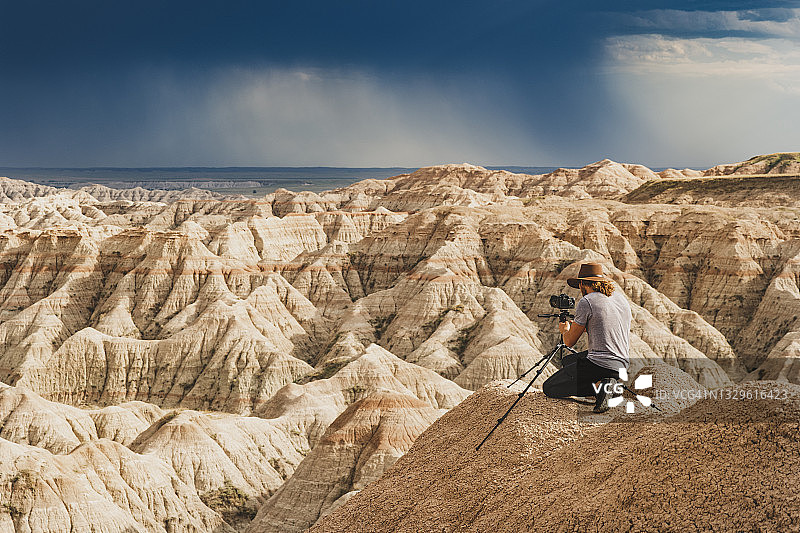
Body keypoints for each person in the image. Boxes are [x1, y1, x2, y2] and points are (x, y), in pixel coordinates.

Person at [542, 262, 632, 413]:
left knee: (549, 387)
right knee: (568, 361)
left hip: (600, 364)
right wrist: (581, 326)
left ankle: (600, 387)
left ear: (583, 284)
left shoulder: (587, 301)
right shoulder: (620, 299)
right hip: (622, 364)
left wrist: (565, 330)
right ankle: (608, 384)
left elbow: (569, 342)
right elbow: (606, 326)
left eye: (580, 286)